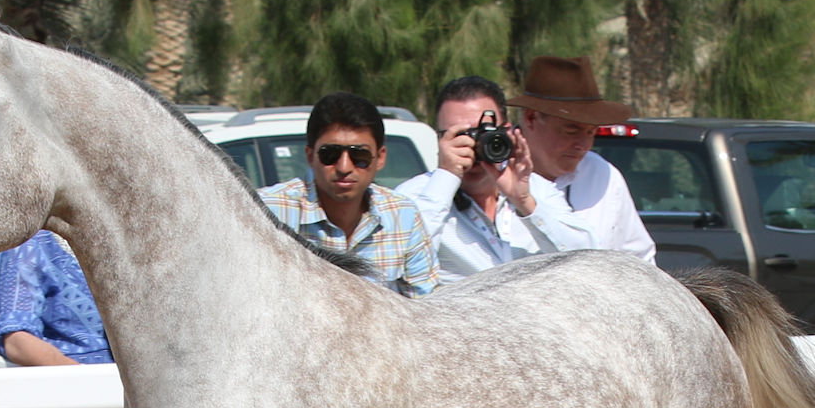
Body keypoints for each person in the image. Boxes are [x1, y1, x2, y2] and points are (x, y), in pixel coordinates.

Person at [395, 76, 609, 284]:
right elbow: (400, 265)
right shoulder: (414, 197)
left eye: (481, 133)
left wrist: (524, 202)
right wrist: (447, 177)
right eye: (459, 135)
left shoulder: (535, 189)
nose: (472, 145)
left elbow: (589, 257)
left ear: (506, 132)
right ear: (440, 139)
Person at [254, 92, 439, 295]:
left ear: (380, 158)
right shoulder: (267, 212)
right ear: (310, 156)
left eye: (359, 155)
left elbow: (424, 301)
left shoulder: (403, 215)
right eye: (330, 154)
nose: (344, 167)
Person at [0, 229, 115, 408]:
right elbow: (16, 340)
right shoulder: (26, 245)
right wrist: (82, 381)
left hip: (127, 393)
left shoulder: (114, 236)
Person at [513, 55, 657, 263]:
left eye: (591, 132)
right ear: (531, 118)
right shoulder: (488, 177)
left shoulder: (604, 176)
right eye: (571, 131)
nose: (583, 144)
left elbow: (640, 260)